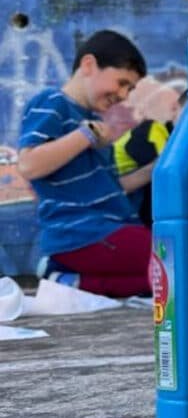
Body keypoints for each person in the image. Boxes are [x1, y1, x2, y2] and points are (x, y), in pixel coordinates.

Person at [18, 30, 152, 297]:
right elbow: (29, 165)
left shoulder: (93, 122)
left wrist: (157, 169)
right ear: (89, 65)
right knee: (177, 259)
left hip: (107, 233)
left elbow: (112, 187)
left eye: (130, 88)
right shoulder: (53, 103)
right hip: (84, 233)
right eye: (122, 82)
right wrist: (85, 135)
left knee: (166, 279)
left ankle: (71, 281)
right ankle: (64, 276)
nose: (124, 95)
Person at [113, 89, 187, 226]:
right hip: (111, 200)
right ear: (174, 108)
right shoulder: (154, 128)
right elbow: (166, 174)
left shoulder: (172, 140)